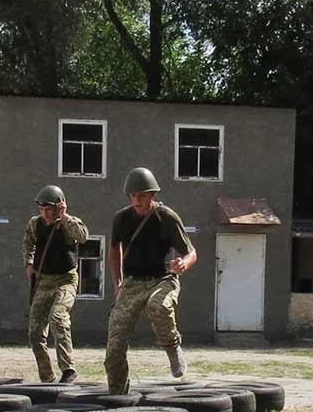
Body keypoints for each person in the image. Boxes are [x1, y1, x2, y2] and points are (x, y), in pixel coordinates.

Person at [104, 167, 198, 395]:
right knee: (115, 345)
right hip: (133, 282)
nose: (137, 200)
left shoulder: (165, 217)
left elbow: (191, 252)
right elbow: (114, 251)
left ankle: (172, 347)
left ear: (152, 194)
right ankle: (117, 394)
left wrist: (184, 264)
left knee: (158, 306)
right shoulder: (122, 219)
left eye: (142, 195)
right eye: (133, 195)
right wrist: (118, 283)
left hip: (163, 279)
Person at [23, 185, 89, 383]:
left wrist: (65, 217)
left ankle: (68, 369)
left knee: (58, 317)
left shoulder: (68, 224)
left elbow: (83, 236)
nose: (45, 213)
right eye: (42, 208)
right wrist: (29, 263)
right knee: (35, 332)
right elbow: (28, 241)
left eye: (49, 208)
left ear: (59, 206)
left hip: (66, 280)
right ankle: (47, 377)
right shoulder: (35, 224)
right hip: (43, 280)